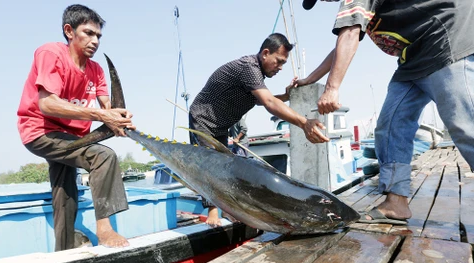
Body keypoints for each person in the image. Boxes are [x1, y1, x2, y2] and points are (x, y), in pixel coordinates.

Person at [297, 0, 474, 224]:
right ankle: (396, 202)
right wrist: (311, 79)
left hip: (446, 35)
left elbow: (350, 33)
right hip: (413, 58)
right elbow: (341, 46)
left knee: (465, 124)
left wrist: (332, 89)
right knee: (390, 127)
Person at [17, 4, 135, 250]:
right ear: (69, 31)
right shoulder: (50, 53)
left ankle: (65, 249)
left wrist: (119, 118)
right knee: (103, 156)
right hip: (41, 131)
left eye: (99, 36)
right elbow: (47, 104)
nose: (95, 41)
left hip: (72, 137)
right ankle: (105, 229)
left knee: (65, 193)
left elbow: (107, 105)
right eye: (89, 33)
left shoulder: (96, 70)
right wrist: (102, 114)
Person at [189, 33, 329, 227]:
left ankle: (229, 209)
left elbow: (261, 100)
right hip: (203, 119)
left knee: (224, 167)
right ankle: (213, 212)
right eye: (279, 61)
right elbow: (268, 101)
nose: (280, 68)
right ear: (265, 53)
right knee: (209, 165)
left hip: (220, 124)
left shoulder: (256, 75)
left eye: (283, 64)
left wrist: (286, 96)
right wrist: (304, 123)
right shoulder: (248, 67)